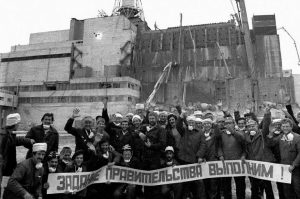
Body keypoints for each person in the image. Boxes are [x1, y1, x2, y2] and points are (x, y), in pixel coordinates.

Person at [245, 107, 275, 199]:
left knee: (267, 187)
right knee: (254, 187)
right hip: (253, 166)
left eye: (253, 125)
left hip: (264, 165)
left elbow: (266, 125)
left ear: (257, 126)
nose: (251, 127)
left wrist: (267, 113)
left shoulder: (263, 133)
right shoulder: (246, 136)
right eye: (249, 126)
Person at [0, 113, 33, 196]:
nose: (18, 125)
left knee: (6, 185)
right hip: (3, 166)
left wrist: (27, 140)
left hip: (6, 166)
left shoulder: (8, 133)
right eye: (18, 124)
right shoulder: (4, 135)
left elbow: (14, 141)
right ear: (15, 124)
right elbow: (2, 152)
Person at [267, 118, 300, 199]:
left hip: (296, 168)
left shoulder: (297, 137)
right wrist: (270, 134)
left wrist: (294, 165)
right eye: (283, 126)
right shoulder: (281, 136)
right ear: (281, 127)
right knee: (287, 190)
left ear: (291, 127)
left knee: (297, 189)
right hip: (284, 168)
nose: (285, 128)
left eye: (287, 126)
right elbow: (271, 144)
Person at [177, 116, 207, 199]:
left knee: (198, 182)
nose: (191, 123)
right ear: (187, 123)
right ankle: (185, 196)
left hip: (195, 160)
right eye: (189, 121)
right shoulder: (184, 130)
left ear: (195, 123)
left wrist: (200, 155)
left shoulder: (200, 132)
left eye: (192, 122)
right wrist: (181, 117)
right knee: (185, 181)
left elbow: (203, 145)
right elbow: (178, 125)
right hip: (183, 159)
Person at [139, 111, 166, 199]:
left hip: (155, 159)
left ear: (156, 119)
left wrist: (152, 146)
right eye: (150, 118)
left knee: (154, 182)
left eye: (153, 118)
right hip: (145, 158)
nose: (151, 120)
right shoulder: (144, 128)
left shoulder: (161, 129)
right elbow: (135, 131)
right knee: (146, 181)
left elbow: (162, 144)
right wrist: (140, 134)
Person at [219, 117, 246, 199]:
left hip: (238, 163)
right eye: (226, 123)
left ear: (234, 124)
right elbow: (219, 146)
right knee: (226, 185)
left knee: (240, 185)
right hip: (226, 163)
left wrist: (233, 132)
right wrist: (220, 155)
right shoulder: (221, 134)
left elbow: (244, 144)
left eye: (230, 123)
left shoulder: (240, 132)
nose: (228, 125)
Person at [202, 118, 221, 199]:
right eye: (205, 123)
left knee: (214, 183)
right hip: (204, 161)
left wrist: (215, 125)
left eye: (208, 123)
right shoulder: (201, 134)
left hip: (213, 160)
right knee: (206, 183)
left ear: (211, 125)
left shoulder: (214, 133)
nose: (207, 125)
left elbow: (218, 134)